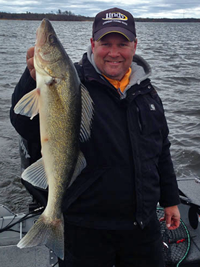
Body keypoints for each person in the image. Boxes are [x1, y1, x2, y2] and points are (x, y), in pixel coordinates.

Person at [10, 7, 181, 267]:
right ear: (92, 44)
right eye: (105, 43)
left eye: (122, 44)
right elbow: (24, 125)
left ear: (135, 46)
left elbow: (161, 150)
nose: (114, 52)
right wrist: (31, 79)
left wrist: (170, 201)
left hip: (142, 225)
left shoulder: (148, 93)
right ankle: (51, 220)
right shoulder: (73, 82)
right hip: (86, 228)